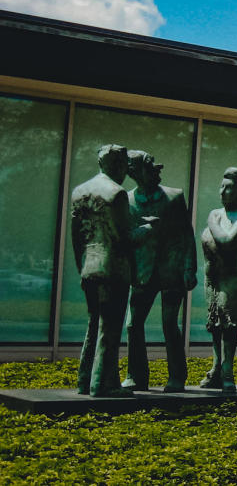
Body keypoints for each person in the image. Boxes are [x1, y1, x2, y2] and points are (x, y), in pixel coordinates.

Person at [122, 150, 196, 393]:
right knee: (133, 325)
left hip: (171, 271)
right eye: (149, 165)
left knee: (169, 324)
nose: (157, 168)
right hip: (142, 272)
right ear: (134, 172)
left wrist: (189, 267)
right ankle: (136, 376)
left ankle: (176, 377)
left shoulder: (175, 197)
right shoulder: (127, 200)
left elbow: (187, 234)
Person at [70, 144, 136, 397]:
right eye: (124, 166)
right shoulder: (116, 193)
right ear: (118, 165)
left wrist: (81, 266)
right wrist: (145, 230)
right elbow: (123, 237)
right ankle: (102, 385)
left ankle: (84, 380)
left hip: (89, 265)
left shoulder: (80, 191)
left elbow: (76, 237)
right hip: (112, 267)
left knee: (93, 324)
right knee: (109, 328)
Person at [200, 167, 237, 392]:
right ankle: (216, 369)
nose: (222, 191)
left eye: (228, 187)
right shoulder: (217, 213)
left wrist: (211, 219)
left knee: (229, 322)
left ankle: (228, 370)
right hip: (212, 275)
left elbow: (226, 242)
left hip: (233, 276)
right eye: (221, 186)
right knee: (214, 323)